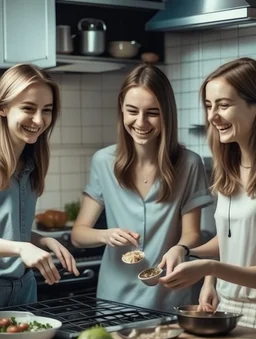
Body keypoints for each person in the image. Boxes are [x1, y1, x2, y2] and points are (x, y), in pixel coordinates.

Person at [71, 64, 212, 312]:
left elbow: (193, 232)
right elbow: (79, 234)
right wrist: (105, 235)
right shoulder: (103, 161)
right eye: (132, 111)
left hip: (169, 295)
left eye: (152, 112)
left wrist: (180, 248)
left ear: (167, 113)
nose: (141, 122)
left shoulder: (189, 163)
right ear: (122, 111)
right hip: (112, 300)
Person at [159, 57, 256, 328]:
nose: (212, 116)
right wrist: (185, 251)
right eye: (208, 105)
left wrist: (209, 269)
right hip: (227, 308)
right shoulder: (231, 169)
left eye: (223, 105)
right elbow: (232, 241)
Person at [0, 63, 79, 308]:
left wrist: (41, 240)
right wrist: (21, 247)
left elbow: (7, 230)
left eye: (47, 110)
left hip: (24, 287)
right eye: (28, 108)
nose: (38, 120)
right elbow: (14, 243)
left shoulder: (31, 162)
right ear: (3, 107)